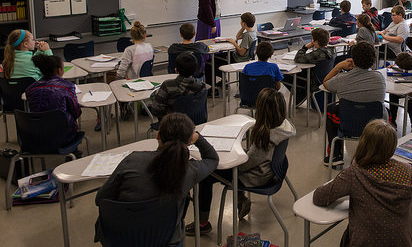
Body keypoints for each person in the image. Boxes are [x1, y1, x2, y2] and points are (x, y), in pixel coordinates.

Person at [96, 113, 219, 246]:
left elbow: (101, 199)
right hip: (165, 240)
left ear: (158, 135)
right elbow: (213, 159)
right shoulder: (188, 171)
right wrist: (198, 138)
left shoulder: (133, 160)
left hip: (121, 238)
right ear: (189, 142)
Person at [187, 88, 295, 234]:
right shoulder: (283, 126)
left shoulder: (266, 137)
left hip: (257, 176)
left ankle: (202, 224)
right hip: (270, 168)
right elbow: (253, 157)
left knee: (205, 174)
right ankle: (240, 198)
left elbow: (245, 165)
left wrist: (227, 157)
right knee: (236, 152)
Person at [313, 119, 412, 247]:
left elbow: (319, 197)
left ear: (363, 143)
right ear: (393, 147)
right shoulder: (409, 171)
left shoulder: (353, 174)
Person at [323, 42, 385, 166]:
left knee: (330, 109)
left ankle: (336, 154)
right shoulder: (379, 78)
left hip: (348, 124)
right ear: (373, 60)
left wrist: (338, 66)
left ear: (353, 59)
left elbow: (326, 82)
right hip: (375, 127)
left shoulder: (341, 79)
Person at [25, 54, 81, 146]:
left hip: (37, 136)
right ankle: (74, 152)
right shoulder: (67, 86)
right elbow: (76, 112)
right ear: (59, 70)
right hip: (63, 136)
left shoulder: (30, 89)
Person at [150, 52, 207, 121]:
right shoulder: (201, 87)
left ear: (176, 70)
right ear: (195, 70)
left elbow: (156, 110)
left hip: (172, 124)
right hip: (194, 122)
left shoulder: (167, 85)